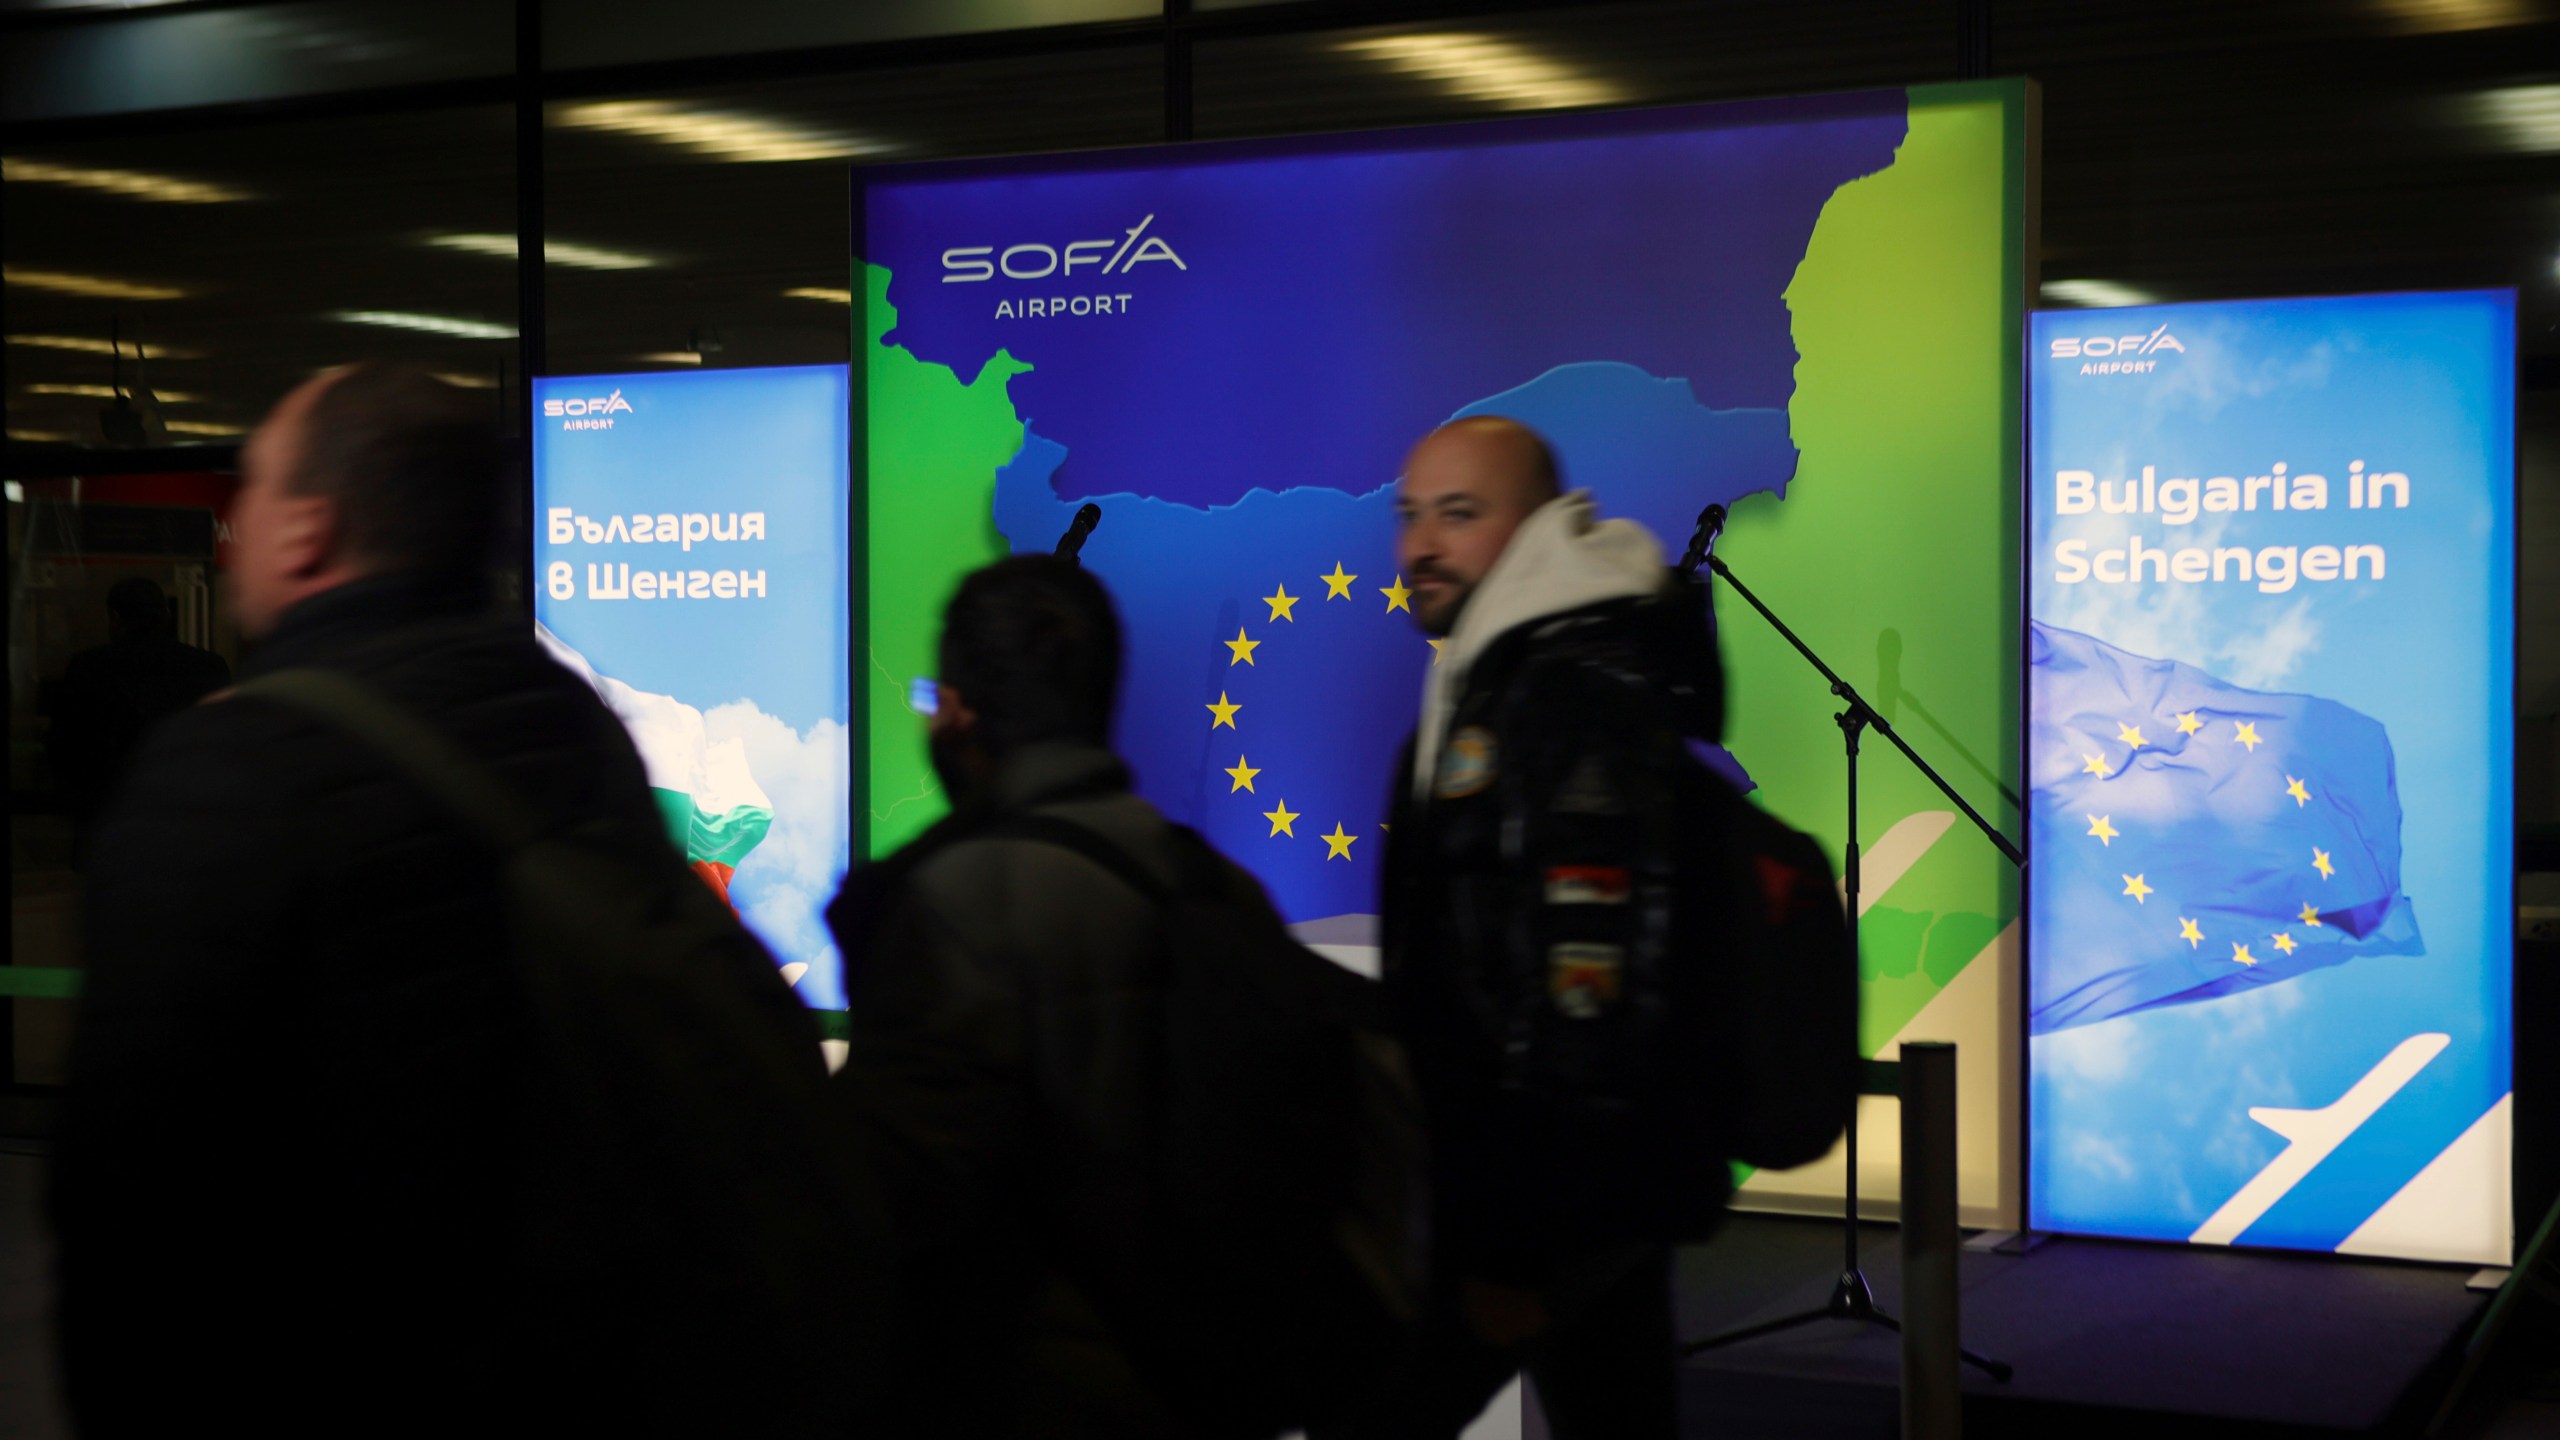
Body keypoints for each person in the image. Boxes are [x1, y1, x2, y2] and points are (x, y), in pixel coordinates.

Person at [49, 364, 864, 1438]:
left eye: (250, 489)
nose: (233, 524)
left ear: (309, 529)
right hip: (587, 1352)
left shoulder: (229, 767)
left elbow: (133, 1208)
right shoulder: (562, 719)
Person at [829, 555, 1294, 1439]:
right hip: (1198, 1383)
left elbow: (900, 1203)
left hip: (1018, 1387)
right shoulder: (1219, 889)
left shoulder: (949, 902)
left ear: (959, 710)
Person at [1346, 415, 1731, 1439]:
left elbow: (1588, 981)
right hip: (1549, 1198)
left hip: (1543, 1204)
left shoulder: (1567, 693)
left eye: (1458, 516)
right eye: (1409, 514)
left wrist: (1513, 1248)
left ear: (1534, 527)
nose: (1417, 545)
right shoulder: (1503, 675)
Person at [45, 576, 231, 860]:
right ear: (166, 615)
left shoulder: (88, 667)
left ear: (115, 617)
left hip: (109, 817)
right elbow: (223, 744)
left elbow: (66, 746)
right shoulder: (209, 667)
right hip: (187, 815)